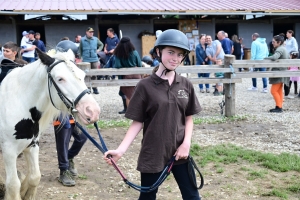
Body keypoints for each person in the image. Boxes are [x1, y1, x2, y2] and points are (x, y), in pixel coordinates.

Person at [104, 29, 202, 200]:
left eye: (180, 54)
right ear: (158, 51)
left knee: (192, 196)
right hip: (153, 152)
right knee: (147, 197)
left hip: (180, 152)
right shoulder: (145, 86)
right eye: (170, 52)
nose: (175, 58)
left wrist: (186, 144)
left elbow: (189, 118)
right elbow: (137, 122)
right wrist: (120, 150)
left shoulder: (185, 84)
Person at [53, 40, 88, 186]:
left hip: (72, 112)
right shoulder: (57, 72)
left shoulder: (73, 71)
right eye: (75, 56)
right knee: (63, 141)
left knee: (82, 138)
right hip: (60, 113)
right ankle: (63, 171)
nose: (77, 59)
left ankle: (70, 157)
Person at [114, 36, 142, 108]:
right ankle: (138, 111)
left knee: (128, 95)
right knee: (137, 93)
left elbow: (117, 65)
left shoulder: (118, 53)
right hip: (136, 74)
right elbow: (139, 64)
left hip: (126, 75)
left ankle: (129, 111)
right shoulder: (134, 52)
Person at [265, 35, 290, 113]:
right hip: (283, 72)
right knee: (279, 90)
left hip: (279, 72)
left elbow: (275, 57)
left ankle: (278, 107)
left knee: (274, 91)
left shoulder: (280, 49)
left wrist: (265, 58)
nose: (272, 43)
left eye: (274, 42)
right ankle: (279, 106)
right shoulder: (284, 49)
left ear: (279, 42)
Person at [78, 27, 104, 94]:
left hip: (94, 59)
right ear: (86, 32)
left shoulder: (95, 39)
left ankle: (95, 88)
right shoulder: (82, 40)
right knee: (86, 75)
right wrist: (80, 57)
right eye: (90, 32)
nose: (91, 33)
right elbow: (80, 49)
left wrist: (99, 50)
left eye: (92, 32)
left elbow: (101, 44)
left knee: (94, 74)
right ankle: (88, 88)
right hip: (86, 60)